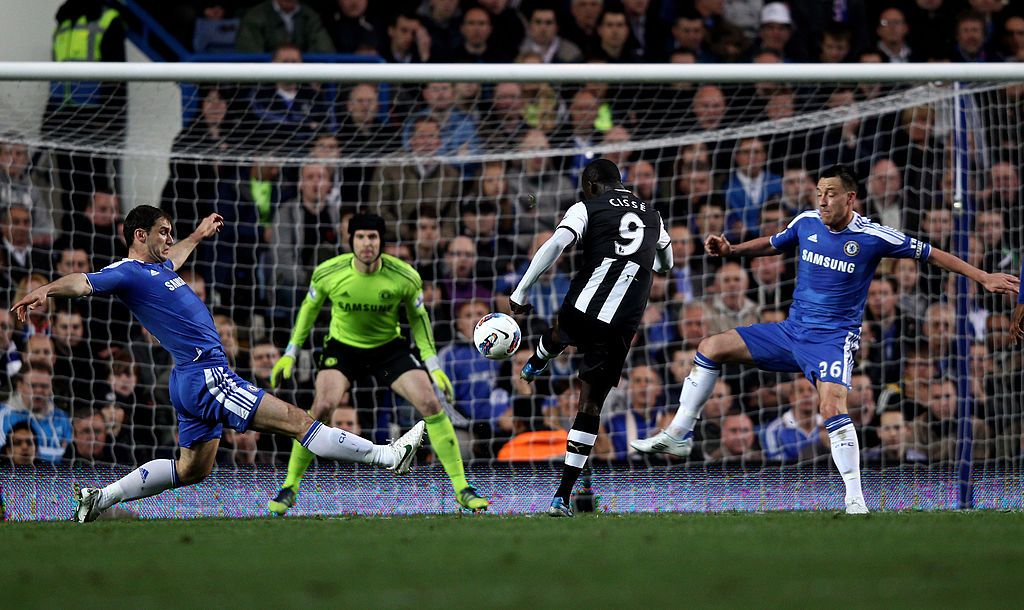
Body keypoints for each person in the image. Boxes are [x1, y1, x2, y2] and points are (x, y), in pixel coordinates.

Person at [632, 165, 1018, 514]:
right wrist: (733, 249)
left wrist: (982, 277)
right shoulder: (806, 222)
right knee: (710, 346)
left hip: (833, 341)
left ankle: (855, 499)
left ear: (850, 197)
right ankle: (680, 434)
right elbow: (772, 242)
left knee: (832, 407)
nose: (822, 200)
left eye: (830, 193)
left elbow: (932, 254)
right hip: (790, 332)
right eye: (819, 192)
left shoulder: (872, 236)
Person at [10, 205, 425, 523]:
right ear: (140, 235)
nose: (170, 240)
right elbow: (83, 282)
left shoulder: (158, 269)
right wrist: (45, 290)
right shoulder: (128, 272)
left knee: (192, 469)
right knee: (299, 421)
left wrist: (197, 234)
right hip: (207, 374)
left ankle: (100, 498)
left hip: (189, 378)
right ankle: (387, 457)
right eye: (163, 232)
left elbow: (179, 256)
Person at [266, 213, 489, 514]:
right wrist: (291, 353)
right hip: (344, 348)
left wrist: (433, 366)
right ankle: (289, 487)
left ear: (381, 241)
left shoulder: (405, 276)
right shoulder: (328, 272)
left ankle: (462, 488)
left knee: (430, 402)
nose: (366, 243)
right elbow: (308, 310)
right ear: (351, 240)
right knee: (321, 408)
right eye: (360, 237)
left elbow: (418, 320)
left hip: (387, 350)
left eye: (372, 237)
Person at [509, 158, 672, 517]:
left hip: (585, 303)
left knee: (560, 332)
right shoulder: (653, 215)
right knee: (589, 406)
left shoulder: (587, 206)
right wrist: (649, 260)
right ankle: (561, 498)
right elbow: (666, 263)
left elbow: (556, 245)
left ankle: (538, 359)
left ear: (591, 185)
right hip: (621, 323)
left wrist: (521, 291)